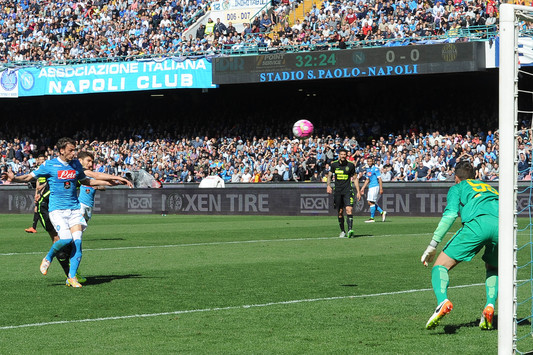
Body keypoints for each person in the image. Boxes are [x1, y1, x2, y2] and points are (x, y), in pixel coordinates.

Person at [1, 138, 123, 288]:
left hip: (74, 209)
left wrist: (110, 183)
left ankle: (72, 277)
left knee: (77, 243)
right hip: (57, 210)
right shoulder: (49, 165)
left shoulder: (76, 164)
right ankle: (48, 257)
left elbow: (86, 181)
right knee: (65, 240)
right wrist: (14, 179)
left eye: (75, 150)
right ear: (61, 151)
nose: (74, 153)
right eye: (71, 150)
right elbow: (29, 177)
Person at [420, 161, 499, 330]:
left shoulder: (458, 187)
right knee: (493, 268)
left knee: (439, 266)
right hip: (502, 227)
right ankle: (490, 305)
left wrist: (432, 245)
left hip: (477, 225)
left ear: (456, 178)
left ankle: (443, 301)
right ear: (475, 176)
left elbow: (449, 216)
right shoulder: (490, 188)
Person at [327, 148, 359, 238]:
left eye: (344, 155)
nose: (343, 156)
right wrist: (328, 185)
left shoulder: (351, 165)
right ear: (339, 155)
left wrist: (358, 191)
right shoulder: (334, 165)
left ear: (346, 155)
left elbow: (355, 178)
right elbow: (329, 175)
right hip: (337, 191)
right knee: (340, 212)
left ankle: (350, 230)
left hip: (347, 191)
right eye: (341, 154)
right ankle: (342, 231)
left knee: (349, 209)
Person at [359, 156, 387, 223]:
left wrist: (381, 188)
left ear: (373, 161)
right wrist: (362, 188)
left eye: (370, 161)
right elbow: (367, 179)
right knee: (370, 202)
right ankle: (382, 212)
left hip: (375, 186)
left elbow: (379, 179)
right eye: (368, 161)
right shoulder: (368, 169)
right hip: (370, 186)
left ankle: (372, 218)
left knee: (371, 202)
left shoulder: (375, 169)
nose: (369, 162)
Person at [25, 154, 46, 233]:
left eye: (43, 159)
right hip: (40, 191)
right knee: (36, 209)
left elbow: (48, 181)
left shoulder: (46, 169)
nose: (41, 161)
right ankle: (34, 227)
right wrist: (36, 193)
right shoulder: (38, 169)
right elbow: (38, 181)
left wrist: (43, 188)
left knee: (40, 209)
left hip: (47, 190)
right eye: (40, 159)